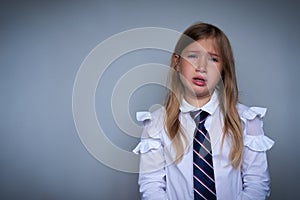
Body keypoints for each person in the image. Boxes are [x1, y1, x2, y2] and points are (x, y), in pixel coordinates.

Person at [133, 22, 274, 200]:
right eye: (193, 56)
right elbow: (151, 185)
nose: (202, 67)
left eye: (213, 59)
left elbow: (257, 183)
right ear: (177, 63)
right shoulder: (155, 123)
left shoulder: (246, 120)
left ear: (223, 69)